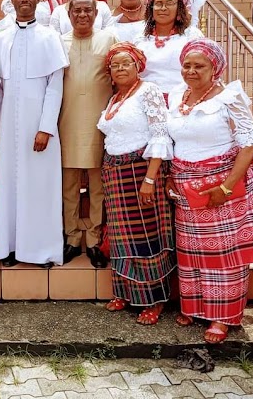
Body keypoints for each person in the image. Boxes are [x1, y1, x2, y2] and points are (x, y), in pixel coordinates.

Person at [167, 38, 253, 344]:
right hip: (187, 185)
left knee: (223, 255)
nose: (191, 70)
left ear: (215, 68)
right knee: (193, 253)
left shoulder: (229, 97)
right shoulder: (177, 96)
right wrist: (171, 176)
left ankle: (222, 317)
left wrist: (226, 188)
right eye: (187, 65)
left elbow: (249, 143)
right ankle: (195, 308)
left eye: (199, 66)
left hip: (221, 183)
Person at [0, 0, 69, 268]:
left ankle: (43, 250)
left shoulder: (50, 37)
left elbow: (55, 85)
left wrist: (46, 127)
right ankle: (10, 248)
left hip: (40, 129)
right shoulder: (1, 38)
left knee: (41, 187)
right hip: (9, 129)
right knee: (10, 186)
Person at [97, 43, 174, 324]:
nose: (120, 69)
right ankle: (125, 292)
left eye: (125, 63)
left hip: (141, 171)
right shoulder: (115, 97)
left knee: (147, 238)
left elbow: (160, 134)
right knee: (120, 238)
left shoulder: (148, 91)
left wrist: (150, 179)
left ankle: (154, 299)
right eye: (114, 65)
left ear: (138, 65)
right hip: (115, 172)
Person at [60, 0, 117, 269]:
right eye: (77, 11)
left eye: (87, 10)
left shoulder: (109, 40)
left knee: (98, 187)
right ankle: (71, 239)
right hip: (66, 122)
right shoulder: (59, 42)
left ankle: (94, 241)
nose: (82, 15)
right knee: (68, 185)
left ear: (96, 13)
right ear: (69, 14)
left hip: (100, 124)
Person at [133, 0, 203, 98]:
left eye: (169, 3)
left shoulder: (191, 36)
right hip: (146, 100)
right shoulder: (140, 38)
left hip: (182, 99)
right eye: (158, 3)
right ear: (151, 8)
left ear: (179, 8)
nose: (163, 8)